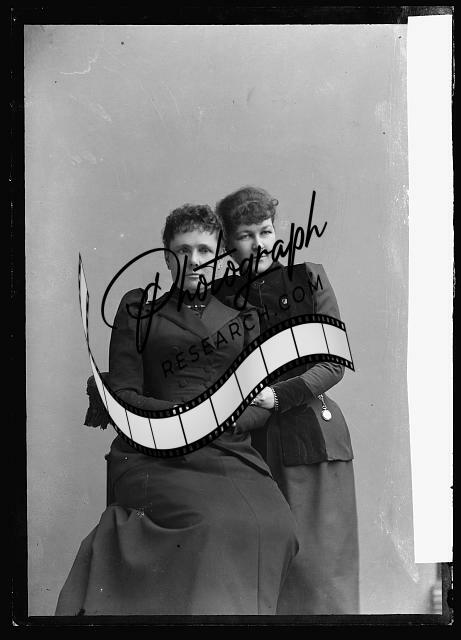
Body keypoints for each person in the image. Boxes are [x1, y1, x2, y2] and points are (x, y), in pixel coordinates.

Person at [55, 204, 298, 616]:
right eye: (182, 251)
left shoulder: (244, 318)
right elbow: (124, 393)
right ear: (167, 258)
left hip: (228, 451)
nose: (194, 261)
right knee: (209, 523)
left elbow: (257, 405)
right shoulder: (139, 310)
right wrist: (185, 419)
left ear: (220, 257)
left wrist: (220, 421)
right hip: (155, 450)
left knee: (279, 527)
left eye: (204, 250)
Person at [214, 186, 359, 615]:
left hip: (310, 439)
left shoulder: (308, 278)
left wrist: (277, 396)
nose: (258, 244)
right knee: (256, 579)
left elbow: (332, 363)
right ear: (228, 244)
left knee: (320, 576)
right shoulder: (219, 297)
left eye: (265, 231)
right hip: (247, 445)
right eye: (245, 235)